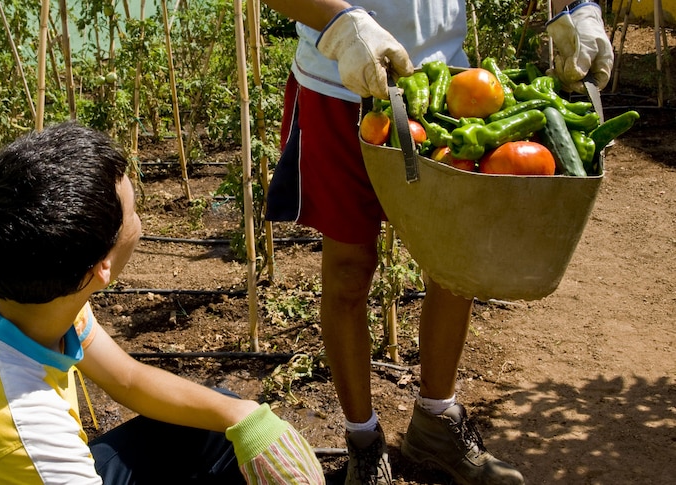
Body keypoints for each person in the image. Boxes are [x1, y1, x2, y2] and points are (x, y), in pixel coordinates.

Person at [261, 0, 613, 484]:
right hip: (338, 78)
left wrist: (576, 7)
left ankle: (436, 421)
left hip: (450, 82)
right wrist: (340, 25)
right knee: (347, 269)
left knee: (455, 265)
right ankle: (363, 440)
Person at [0, 122, 325, 484]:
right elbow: (41, 455)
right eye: (134, 212)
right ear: (100, 268)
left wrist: (246, 418)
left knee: (217, 423)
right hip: (13, 465)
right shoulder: (37, 446)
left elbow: (126, 378)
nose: (140, 218)